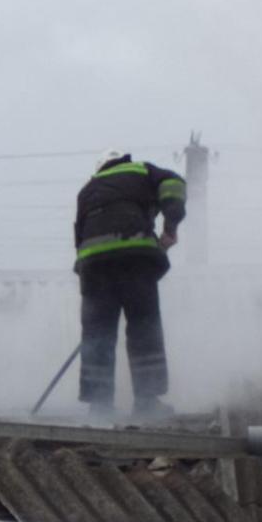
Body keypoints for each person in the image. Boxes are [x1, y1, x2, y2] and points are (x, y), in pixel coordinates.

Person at [73, 149, 187, 419]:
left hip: (93, 266)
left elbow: (78, 237)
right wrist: (171, 226)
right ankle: (146, 402)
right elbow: (174, 184)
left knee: (97, 335)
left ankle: (99, 406)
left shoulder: (87, 190)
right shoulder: (141, 171)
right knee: (143, 328)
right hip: (135, 259)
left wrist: (91, 288)